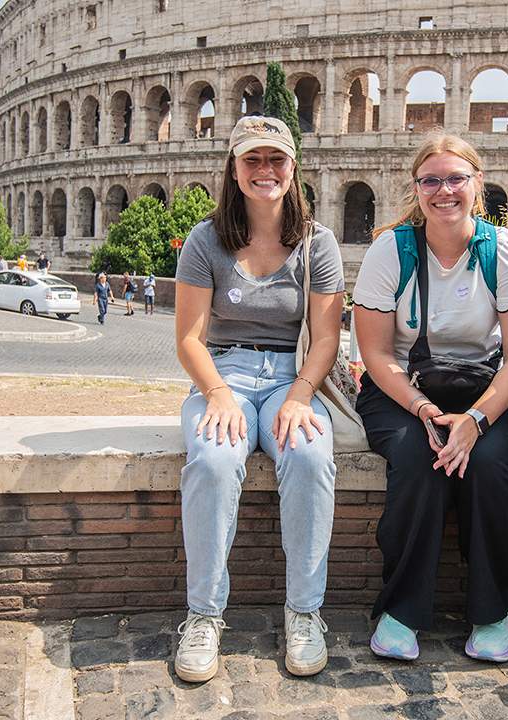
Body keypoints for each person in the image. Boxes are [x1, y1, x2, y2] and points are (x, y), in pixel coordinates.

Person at [350, 133, 508, 664]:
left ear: (477, 185)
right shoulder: (392, 249)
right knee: (416, 457)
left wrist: (476, 419)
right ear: (417, 189)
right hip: (400, 390)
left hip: (489, 391)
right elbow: (376, 354)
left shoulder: (504, 251)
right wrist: (425, 411)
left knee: (487, 467)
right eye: (431, 180)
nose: (444, 190)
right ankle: (402, 609)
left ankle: (492, 612)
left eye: (457, 178)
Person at [172, 114, 344, 683]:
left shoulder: (317, 242)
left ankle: (304, 612)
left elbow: (326, 339)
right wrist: (217, 393)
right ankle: (203, 616)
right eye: (253, 159)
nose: (265, 170)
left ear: (293, 169)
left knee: (311, 454)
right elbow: (189, 339)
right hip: (224, 372)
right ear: (235, 169)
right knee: (216, 457)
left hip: (292, 376)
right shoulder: (206, 238)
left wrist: (300, 396)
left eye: (276, 159)